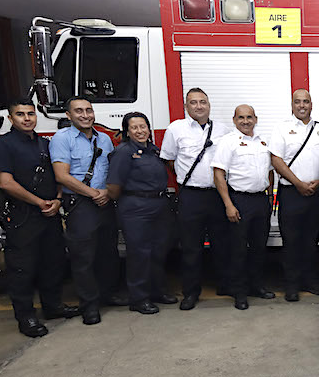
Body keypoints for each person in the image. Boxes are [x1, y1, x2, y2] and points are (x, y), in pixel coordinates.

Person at [0, 98, 79, 337]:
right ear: (10, 118)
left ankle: (53, 306)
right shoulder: (2, 145)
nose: (27, 118)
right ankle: (26, 317)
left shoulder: (44, 144)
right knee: (22, 269)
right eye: (20, 114)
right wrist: (40, 203)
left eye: (30, 114)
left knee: (53, 262)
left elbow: (59, 175)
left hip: (49, 213)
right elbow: (5, 183)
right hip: (23, 216)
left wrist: (57, 200)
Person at [50, 96, 124, 325]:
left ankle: (107, 294)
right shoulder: (61, 139)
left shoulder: (104, 139)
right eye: (79, 111)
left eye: (89, 110)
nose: (85, 115)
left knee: (107, 252)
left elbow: (112, 171)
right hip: (81, 204)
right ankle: (89, 305)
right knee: (84, 257)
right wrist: (94, 194)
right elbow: (61, 176)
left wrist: (107, 194)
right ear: (68, 116)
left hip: (104, 202)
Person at [160, 88, 232, 310]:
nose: (199, 106)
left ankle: (225, 285)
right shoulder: (175, 129)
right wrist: (187, 178)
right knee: (191, 247)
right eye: (193, 103)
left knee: (222, 244)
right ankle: (191, 292)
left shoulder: (223, 130)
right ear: (186, 106)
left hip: (217, 195)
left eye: (203, 102)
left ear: (209, 105)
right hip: (190, 195)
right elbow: (169, 160)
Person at [106, 112, 178, 315]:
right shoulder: (123, 152)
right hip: (136, 208)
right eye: (134, 127)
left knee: (157, 252)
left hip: (159, 206)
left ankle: (157, 292)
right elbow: (113, 186)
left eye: (143, 126)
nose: (140, 131)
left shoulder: (154, 151)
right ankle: (139, 298)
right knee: (139, 254)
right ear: (127, 131)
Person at [269, 89, 319, 302]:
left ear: (311, 104)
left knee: (311, 241)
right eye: (298, 102)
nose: (302, 105)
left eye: (306, 101)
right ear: (292, 105)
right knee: (291, 241)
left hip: (315, 194)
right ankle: (291, 285)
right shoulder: (282, 129)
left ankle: (309, 280)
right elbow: (276, 160)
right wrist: (298, 184)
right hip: (291, 193)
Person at [211, 104, 276, 311]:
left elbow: (271, 171)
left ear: (256, 119)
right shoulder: (227, 142)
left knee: (259, 248)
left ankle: (256, 286)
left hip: (260, 201)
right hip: (239, 200)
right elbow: (218, 174)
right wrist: (229, 204)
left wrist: (269, 196)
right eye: (241, 117)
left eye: (249, 117)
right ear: (234, 120)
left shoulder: (263, 142)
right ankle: (239, 292)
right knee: (238, 250)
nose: (245, 121)